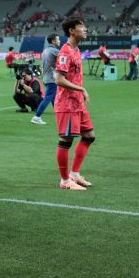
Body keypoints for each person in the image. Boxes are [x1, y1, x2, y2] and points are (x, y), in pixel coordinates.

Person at [54, 16, 96, 191]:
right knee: (66, 140)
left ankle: (75, 174)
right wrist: (81, 89)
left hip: (78, 104)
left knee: (89, 136)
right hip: (67, 104)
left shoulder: (76, 50)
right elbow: (58, 79)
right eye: (81, 27)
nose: (85, 29)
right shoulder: (65, 52)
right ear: (71, 31)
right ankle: (64, 180)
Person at [32, 33, 60, 125]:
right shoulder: (55, 51)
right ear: (53, 41)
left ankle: (59, 114)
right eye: (58, 39)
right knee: (48, 98)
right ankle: (37, 117)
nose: (59, 41)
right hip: (52, 78)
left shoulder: (45, 51)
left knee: (54, 97)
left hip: (46, 77)